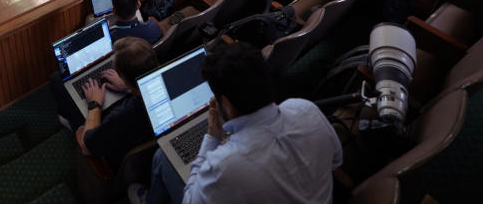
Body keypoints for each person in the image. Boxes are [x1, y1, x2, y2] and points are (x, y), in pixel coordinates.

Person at [133, 42, 342, 204]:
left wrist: (212, 137)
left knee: (163, 157)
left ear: (225, 102)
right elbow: (336, 160)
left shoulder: (224, 166)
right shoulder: (305, 109)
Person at [72, 37, 159, 169]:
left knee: (79, 129)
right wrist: (129, 87)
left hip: (125, 164)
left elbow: (86, 146)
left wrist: (94, 105)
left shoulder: (121, 116)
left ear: (123, 76)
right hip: (151, 151)